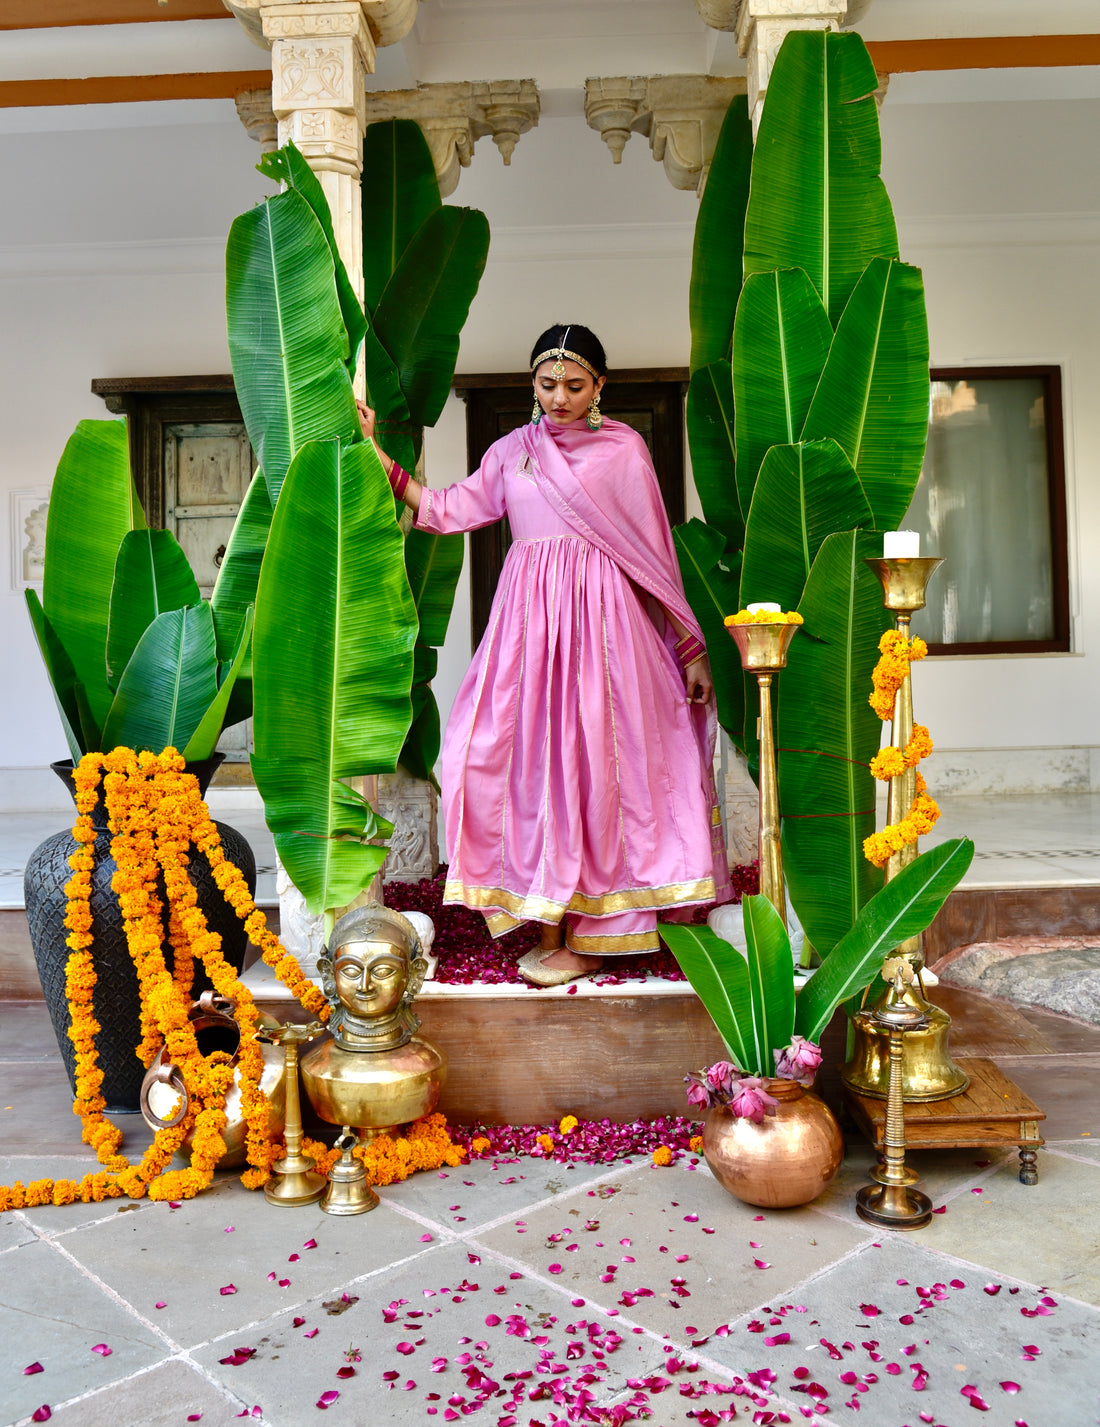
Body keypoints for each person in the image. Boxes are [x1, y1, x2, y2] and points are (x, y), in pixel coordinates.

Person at [359, 323, 731, 987]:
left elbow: (655, 554)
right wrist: (377, 455)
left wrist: (690, 645)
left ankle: (595, 934)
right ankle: (544, 914)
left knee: (597, 770)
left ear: (599, 388)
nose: (559, 396)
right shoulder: (512, 452)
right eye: (547, 383)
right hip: (529, 633)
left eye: (574, 385)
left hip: (608, 634)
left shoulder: (625, 452)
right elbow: (446, 510)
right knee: (499, 756)